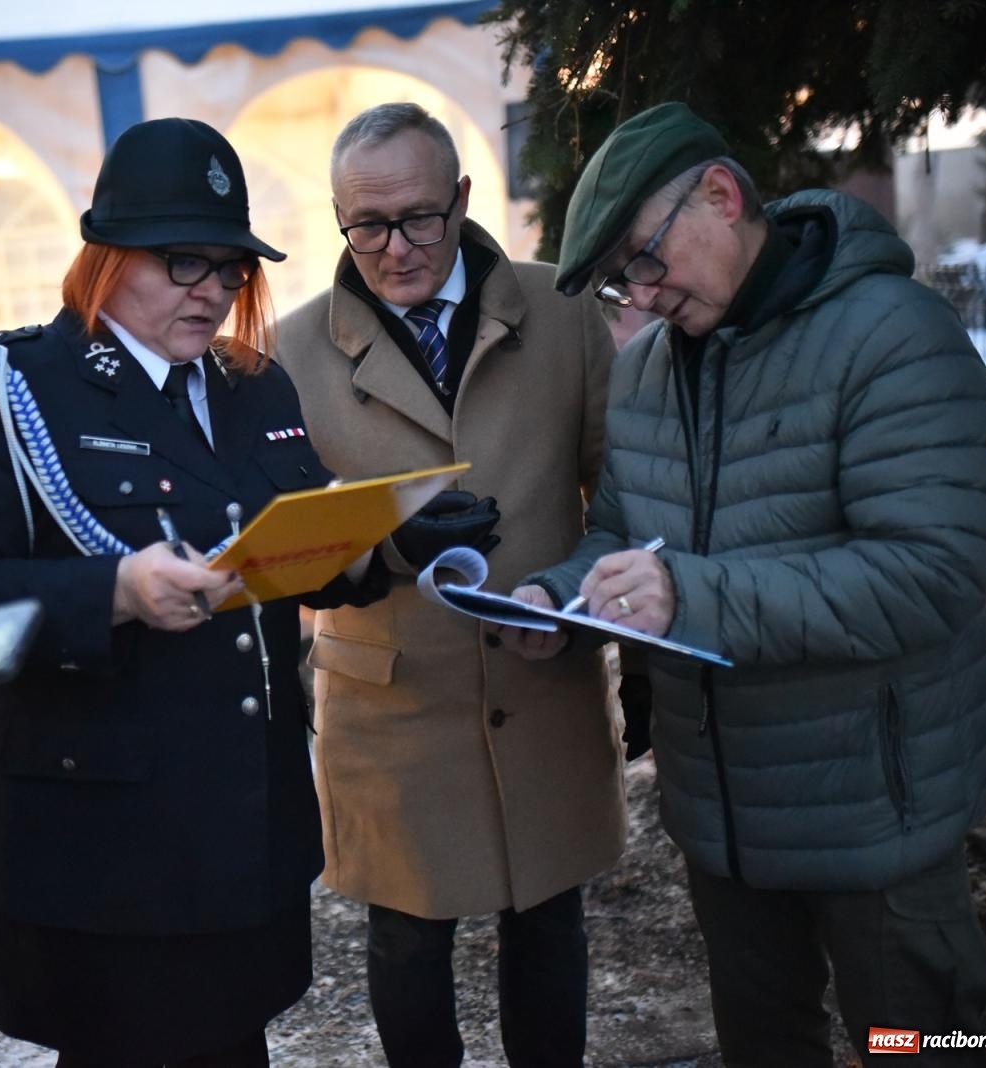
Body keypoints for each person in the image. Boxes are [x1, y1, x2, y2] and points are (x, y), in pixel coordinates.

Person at [510, 101, 986, 1065]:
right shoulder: (651, 367)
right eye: (618, 284)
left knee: (925, 1045)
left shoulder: (894, 336)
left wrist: (690, 595)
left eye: (642, 263)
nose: (639, 299)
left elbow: (930, 576)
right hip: (724, 825)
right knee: (766, 1047)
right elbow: (621, 531)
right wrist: (556, 600)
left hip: (878, 822)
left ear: (723, 198)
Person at [0, 116, 384, 1067]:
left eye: (231, 267)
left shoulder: (254, 388)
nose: (212, 290)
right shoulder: (9, 384)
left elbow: (296, 551)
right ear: (108, 255)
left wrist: (390, 544)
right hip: (99, 861)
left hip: (242, 842)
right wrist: (111, 594)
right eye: (182, 262)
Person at [272, 102, 626, 1068]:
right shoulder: (287, 356)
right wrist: (384, 542)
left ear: (463, 201)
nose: (395, 249)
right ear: (339, 220)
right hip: (391, 706)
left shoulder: (562, 311)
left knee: (550, 921)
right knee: (406, 939)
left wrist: (577, 600)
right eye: (367, 226)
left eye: (420, 218)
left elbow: (623, 500)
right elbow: (285, 553)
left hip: (542, 680)